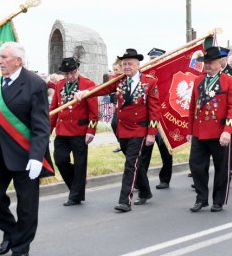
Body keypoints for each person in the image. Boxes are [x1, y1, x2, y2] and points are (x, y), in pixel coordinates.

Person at [0, 42, 53, 256]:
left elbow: (41, 125)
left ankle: (21, 244)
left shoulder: (34, 84)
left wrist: (36, 157)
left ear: (18, 61)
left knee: (27, 204)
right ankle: (11, 232)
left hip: (24, 153)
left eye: (4, 57)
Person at [187, 46, 232, 212]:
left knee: (222, 169)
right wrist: (189, 130)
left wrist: (228, 131)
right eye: (206, 62)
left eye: (211, 62)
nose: (208, 65)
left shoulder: (229, 81)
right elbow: (192, 107)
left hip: (220, 133)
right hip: (199, 131)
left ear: (220, 62)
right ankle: (201, 198)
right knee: (196, 166)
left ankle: (218, 200)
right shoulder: (198, 80)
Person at [109, 48, 161, 212]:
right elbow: (100, 89)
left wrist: (152, 133)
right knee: (135, 164)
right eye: (124, 64)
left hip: (139, 129)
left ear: (138, 65)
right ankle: (145, 191)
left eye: (130, 64)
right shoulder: (118, 81)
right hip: (122, 130)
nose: (126, 67)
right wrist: (84, 93)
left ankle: (125, 200)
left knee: (130, 164)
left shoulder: (149, 82)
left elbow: (154, 110)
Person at [49, 57, 98, 206]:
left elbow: (94, 111)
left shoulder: (88, 85)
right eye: (66, 74)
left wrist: (91, 130)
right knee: (60, 160)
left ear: (78, 68)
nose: (69, 76)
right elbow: (53, 109)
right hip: (62, 131)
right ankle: (79, 183)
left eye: (72, 72)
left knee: (80, 164)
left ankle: (75, 195)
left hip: (80, 131)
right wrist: (47, 131)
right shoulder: (59, 85)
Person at [145, 48, 173, 190]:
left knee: (165, 151)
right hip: (149, 118)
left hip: (165, 118)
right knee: (145, 152)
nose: (153, 62)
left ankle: (165, 179)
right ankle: (141, 181)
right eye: (151, 60)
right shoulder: (146, 76)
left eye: (156, 59)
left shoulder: (169, 74)